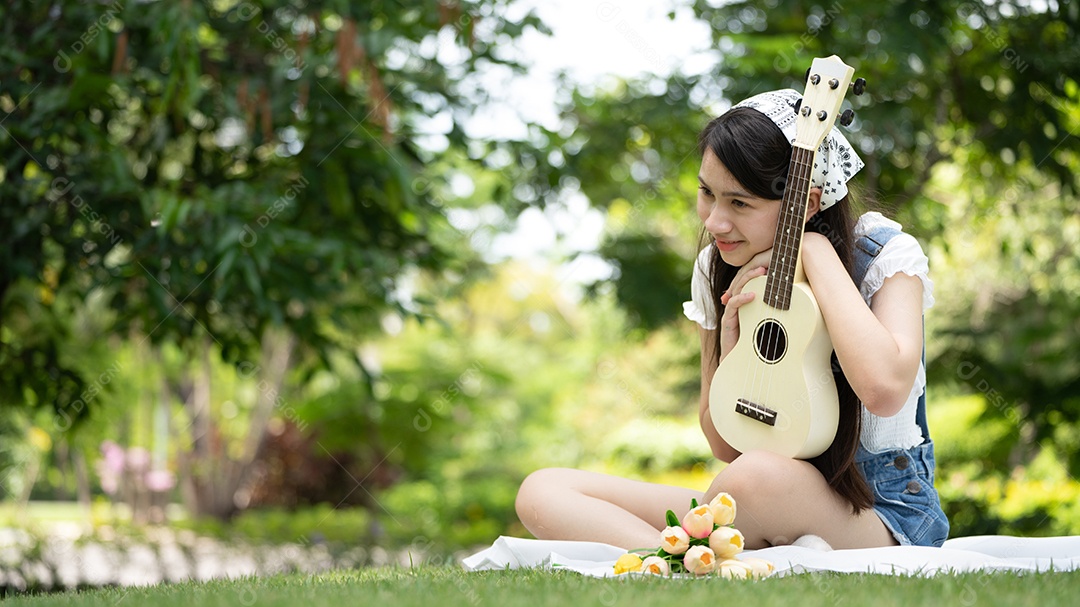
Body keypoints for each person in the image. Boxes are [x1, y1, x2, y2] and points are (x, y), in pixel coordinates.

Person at [514, 88, 950, 551]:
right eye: (707, 193)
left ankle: (688, 551)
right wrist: (730, 346)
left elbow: (884, 391)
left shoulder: (882, 255)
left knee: (754, 479)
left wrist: (813, 249)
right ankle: (671, 568)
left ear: (806, 204)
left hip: (878, 514)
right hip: (757, 493)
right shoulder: (716, 267)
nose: (716, 221)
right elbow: (724, 446)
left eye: (739, 203)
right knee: (543, 490)